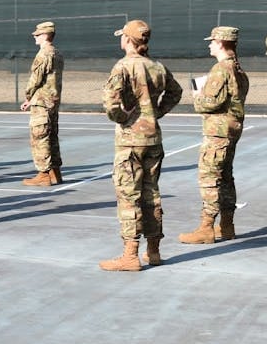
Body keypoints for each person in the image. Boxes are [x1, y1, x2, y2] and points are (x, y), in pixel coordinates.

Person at [99, 20, 182, 271]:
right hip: (153, 139)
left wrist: (125, 118)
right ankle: (154, 250)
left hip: (130, 141)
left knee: (128, 197)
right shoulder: (157, 66)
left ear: (127, 40)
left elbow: (111, 104)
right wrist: (155, 113)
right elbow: (175, 92)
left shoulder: (123, 66)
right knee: (151, 195)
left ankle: (130, 254)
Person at [178, 26, 249, 244]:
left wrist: (197, 96)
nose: (209, 44)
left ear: (220, 43)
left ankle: (206, 227)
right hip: (230, 129)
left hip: (218, 132)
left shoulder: (221, 69)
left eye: (212, 41)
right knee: (226, 177)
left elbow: (211, 103)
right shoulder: (238, 69)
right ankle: (226, 226)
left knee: (209, 178)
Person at [20, 21, 65, 186]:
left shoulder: (44, 54)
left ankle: (44, 174)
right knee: (51, 136)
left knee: (40, 137)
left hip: (42, 102)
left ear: (45, 35)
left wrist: (28, 96)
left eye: (38, 34)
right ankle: (55, 173)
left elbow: (35, 79)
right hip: (52, 101)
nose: (35, 37)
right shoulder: (57, 53)